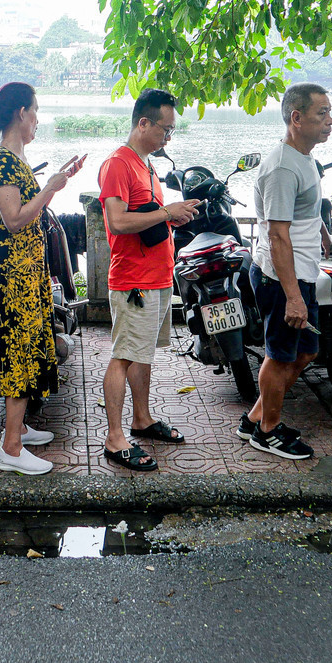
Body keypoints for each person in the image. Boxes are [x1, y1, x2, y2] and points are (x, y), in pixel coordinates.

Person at [0, 82, 86, 475]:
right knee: (18, 354)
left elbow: (29, 210)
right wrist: (51, 186)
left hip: (26, 272)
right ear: (21, 113)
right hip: (12, 275)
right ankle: (9, 448)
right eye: (35, 111)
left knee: (28, 348)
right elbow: (16, 218)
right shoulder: (3, 161)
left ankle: (19, 428)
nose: (38, 120)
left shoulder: (16, 159)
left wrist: (57, 182)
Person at [97, 88, 200, 472]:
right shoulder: (118, 164)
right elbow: (118, 222)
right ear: (143, 123)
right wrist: (165, 212)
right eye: (165, 129)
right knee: (123, 355)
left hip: (156, 276)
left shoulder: (146, 163)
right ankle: (115, 437)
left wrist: (173, 215)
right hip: (133, 281)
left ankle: (142, 419)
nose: (167, 137)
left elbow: (147, 216)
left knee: (143, 353)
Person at [239, 83, 332, 460]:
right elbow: (277, 235)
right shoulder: (281, 166)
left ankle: (256, 418)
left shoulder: (304, 156)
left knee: (306, 351)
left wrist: (323, 231)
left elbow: (303, 209)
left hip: (303, 270)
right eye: (321, 113)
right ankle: (268, 431)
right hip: (282, 278)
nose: (329, 121)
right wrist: (293, 296)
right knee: (279, 357)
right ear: (297, 118)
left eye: (329, 112)